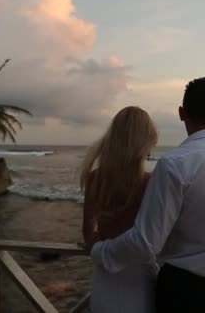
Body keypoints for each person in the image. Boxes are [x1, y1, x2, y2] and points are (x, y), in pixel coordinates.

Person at [89, 77, 205, 312]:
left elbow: (145, 242)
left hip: (183, 294)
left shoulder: (174, 163)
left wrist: (100, 251)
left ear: (182, 113)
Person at [80, 106, 159, 313]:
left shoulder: (95, 179)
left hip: (104, 280)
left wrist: (100, 245)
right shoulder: (150, 183)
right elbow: (154, 237)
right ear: (144, 143)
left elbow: (88, 233)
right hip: (139, 283)